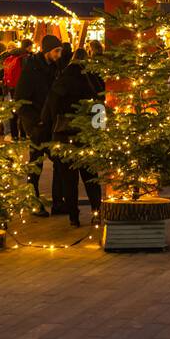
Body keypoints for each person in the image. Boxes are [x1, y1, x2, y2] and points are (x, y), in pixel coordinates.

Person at [41, 49, 104, 226]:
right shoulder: (94, 80)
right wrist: (99, 130)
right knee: (91, 178)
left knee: (69, 180)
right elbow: (100, 105)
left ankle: (74, 217)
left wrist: (51, 125)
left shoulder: (62, 79)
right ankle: (96, 211)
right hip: (86, 134)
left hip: (64, 135)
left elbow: (50, 106)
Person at [15, 34, 63, 216]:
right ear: (47, 51)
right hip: (37, 126)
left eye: (60, 51)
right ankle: (33, 203)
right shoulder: (32, 70)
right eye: (56, 51)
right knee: (35, 166)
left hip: (50, 125)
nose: (59, 54)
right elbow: (21, 100)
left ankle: (58, 203)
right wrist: (33, 125)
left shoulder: (54, 68)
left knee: (59, 162)